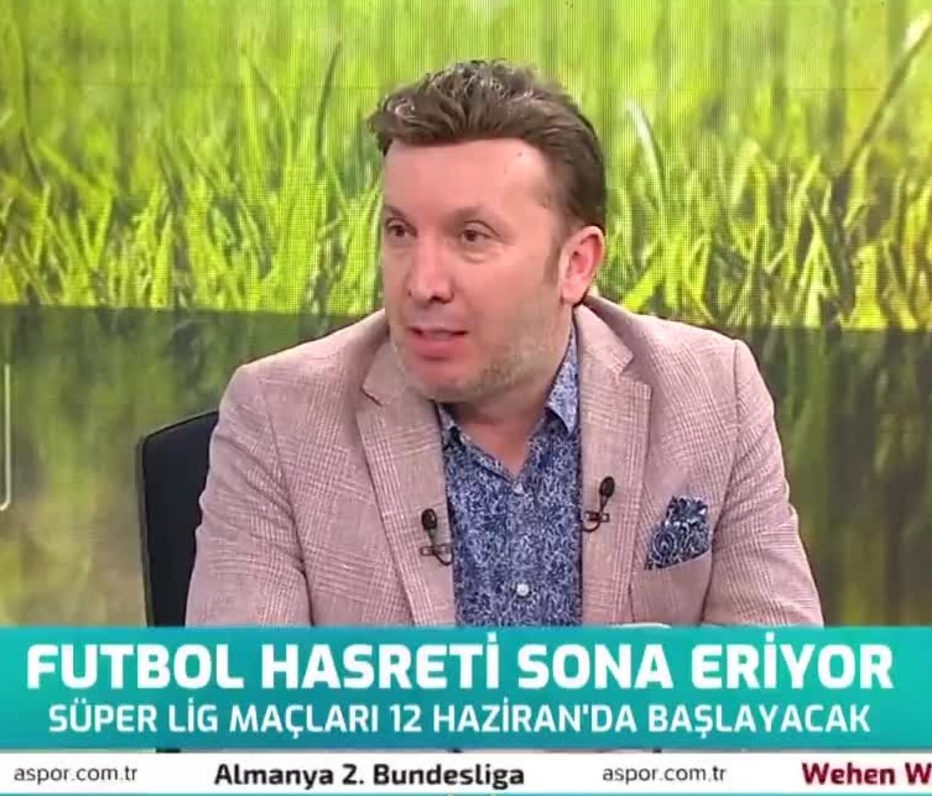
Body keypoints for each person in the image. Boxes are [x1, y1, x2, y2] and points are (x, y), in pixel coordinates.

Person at [186, 59, 823, 628]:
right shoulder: (280, 418)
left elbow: (780, 692)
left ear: (576, 264)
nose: (422, 284)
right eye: (400, 231)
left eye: (471, 236)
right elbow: (244, 708)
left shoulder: (713, 395)